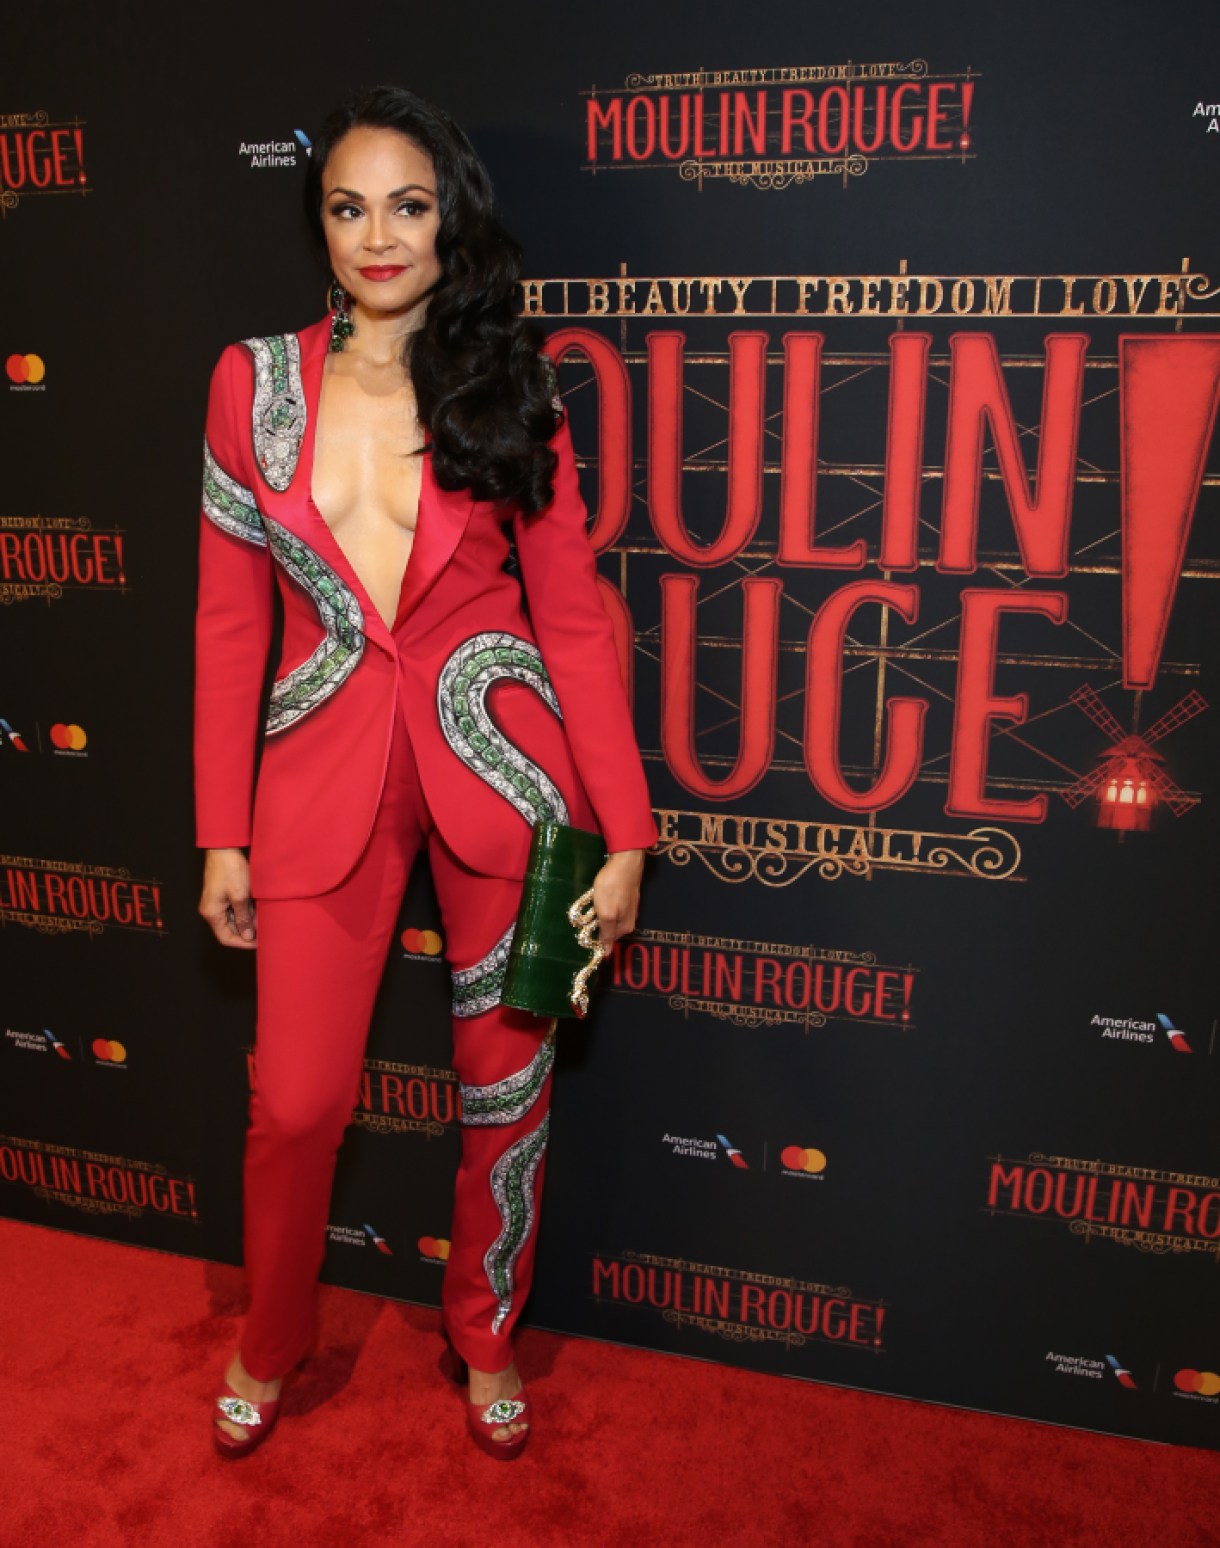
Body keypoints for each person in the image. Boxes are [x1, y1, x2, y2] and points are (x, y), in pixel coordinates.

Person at [195, 84, 656, 1462]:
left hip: (506, 777)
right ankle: (269, 1339)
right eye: (348, 207)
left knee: (505, 1089)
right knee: (296, 1103)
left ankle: (486, 1333)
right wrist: (221, 830)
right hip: (315, 784)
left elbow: (572, 614)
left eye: (407, 205)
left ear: (450, 216)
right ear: (318, 221)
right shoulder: (249, 383)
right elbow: (229, 621)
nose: (378, 237)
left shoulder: (510, 386)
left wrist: (623, 833)